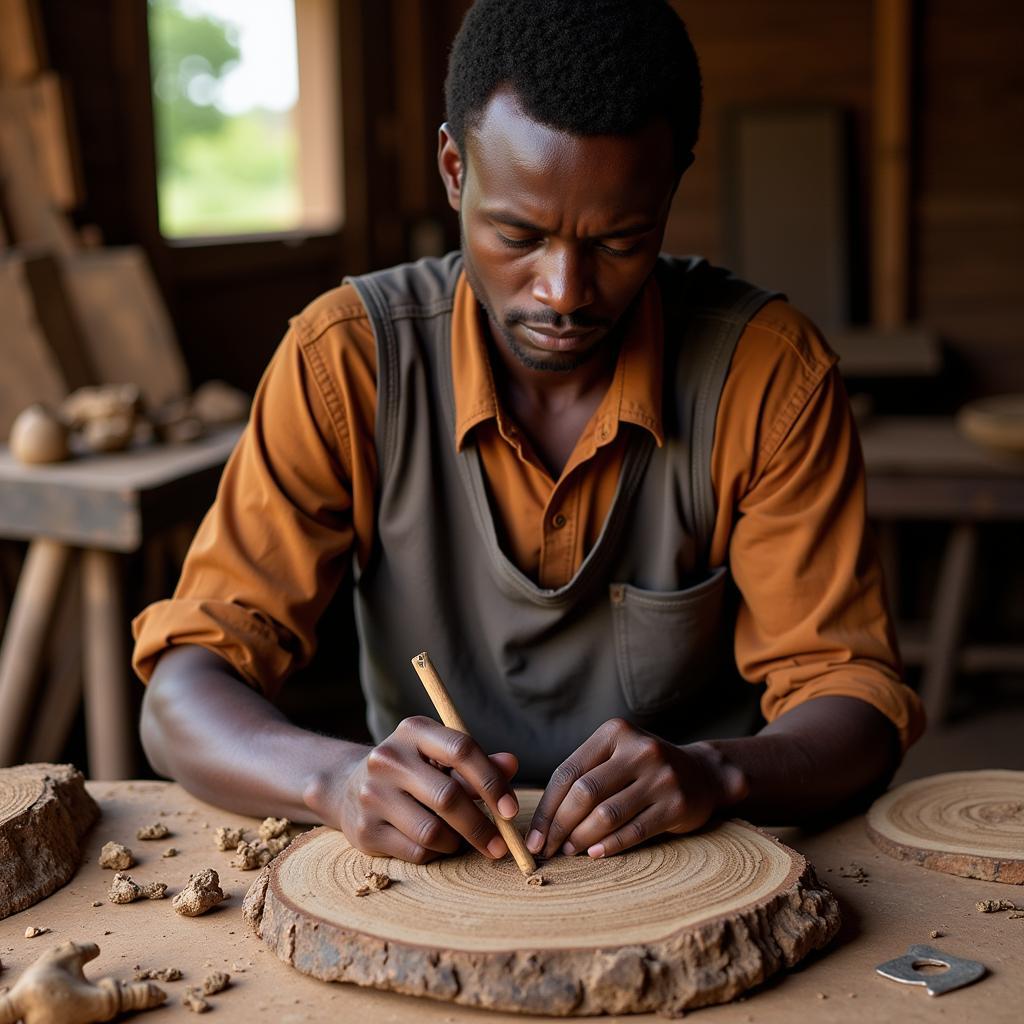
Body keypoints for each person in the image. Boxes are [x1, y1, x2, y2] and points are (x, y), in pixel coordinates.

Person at [134, 0, 924, 866]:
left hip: (698, 869)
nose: (564, 291)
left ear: (671, 186)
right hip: (431, 865)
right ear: (452, 170)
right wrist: (335, 779)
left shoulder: (767, 376)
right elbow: (183, 692)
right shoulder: (349, 362)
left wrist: (716, 775)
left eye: (621, 241)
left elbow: (855, 700)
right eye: (519, 233)